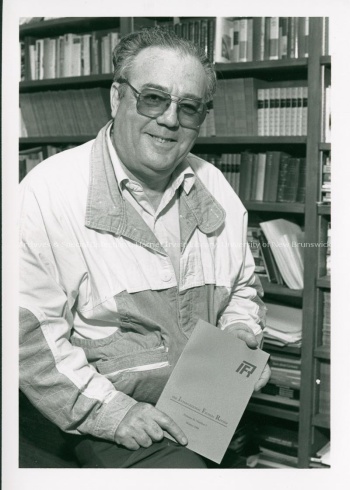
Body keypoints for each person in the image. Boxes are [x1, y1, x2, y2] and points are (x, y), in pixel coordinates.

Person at [19, 26, 271, 468]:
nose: (170, 119)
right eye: (153, 98)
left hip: (206, 406)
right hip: (111, 412)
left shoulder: (215, 187)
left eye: (189, 107)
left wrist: (240, 337)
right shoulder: (48, 191)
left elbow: (243, 290)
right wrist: (112, 414)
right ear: (117, 97)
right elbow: (28, 338)